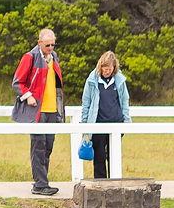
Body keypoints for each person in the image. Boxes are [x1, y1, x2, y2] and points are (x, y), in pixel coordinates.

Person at [11, 28, 65, 195]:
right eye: (47, 44)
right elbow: (17, 82)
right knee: (38, 146)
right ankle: (41, 184)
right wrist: (28, 96)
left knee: (48, 146)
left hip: (52, 109)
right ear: (39, 43)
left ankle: (42, 181)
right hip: (37, 110)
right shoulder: (30, 57)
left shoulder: (54, 57)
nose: (51, 47)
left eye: (53, 44)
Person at [77, 50, 132, 179]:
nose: (107, 71)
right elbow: (86, 102)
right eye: (105, 69)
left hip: (116, 123)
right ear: (100, 67)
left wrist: (126, 121)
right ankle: (100, 183)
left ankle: (114, 182)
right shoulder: (92, 81)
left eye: (110, 69)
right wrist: (85, 124)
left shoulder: (119, 81)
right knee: (99, 157)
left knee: (113, 156)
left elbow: (124, 101)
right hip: (98, 124)